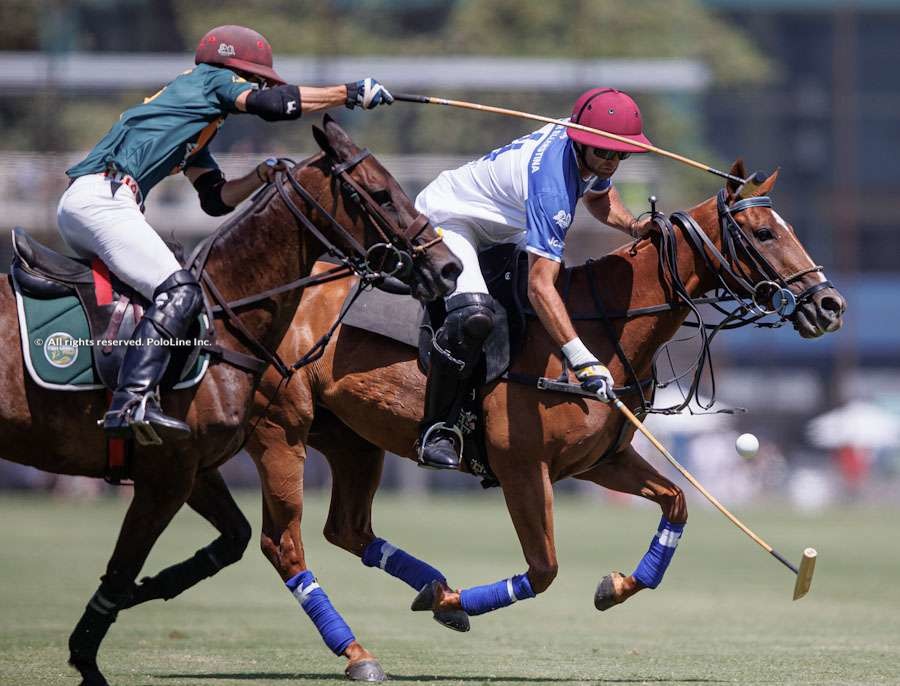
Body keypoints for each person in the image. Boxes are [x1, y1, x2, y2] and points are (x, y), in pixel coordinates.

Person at [57, 25, 394, 445]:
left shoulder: (195, 121)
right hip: (104, 199)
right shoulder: (208, 80)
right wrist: (349, 92)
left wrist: (259, 175)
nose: (253, 86)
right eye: (253, 79)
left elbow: (215, 199)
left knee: (154, 299)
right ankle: (132, 401)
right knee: (180, 291)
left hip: (95, 202)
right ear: (235, 70)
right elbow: (275, 104)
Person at [414, 88, 655, 469]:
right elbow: (539, 285)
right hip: (451, 217)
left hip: (504, 225)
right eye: (603, 153)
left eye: (619, 155)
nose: (610, 162)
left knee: (530, 312)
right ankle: (438, 427)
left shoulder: (584, 143)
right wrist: (583, 360)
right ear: (580, 143)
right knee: (474, 316)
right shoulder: (553, 186)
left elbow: (597, 197)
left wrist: (633, 225)